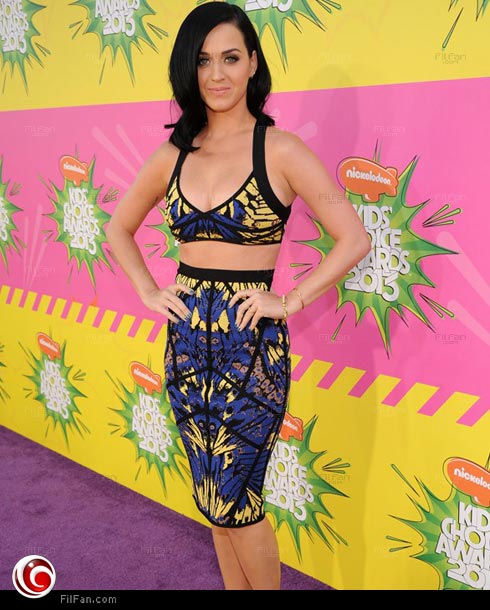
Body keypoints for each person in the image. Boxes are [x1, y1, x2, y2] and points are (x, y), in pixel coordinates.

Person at [106, 2, 371, 591]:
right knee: (212, 499)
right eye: (203, 61)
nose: (217, 73)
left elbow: (354, 238)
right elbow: (117, 228)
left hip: (250, 348)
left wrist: (291, 300)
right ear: (189, 69)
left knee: (238, 505)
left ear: (253, 62)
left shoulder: (281, 150)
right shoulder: (173, 154)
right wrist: (149, 290)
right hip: (185, 348)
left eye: (230, 57)